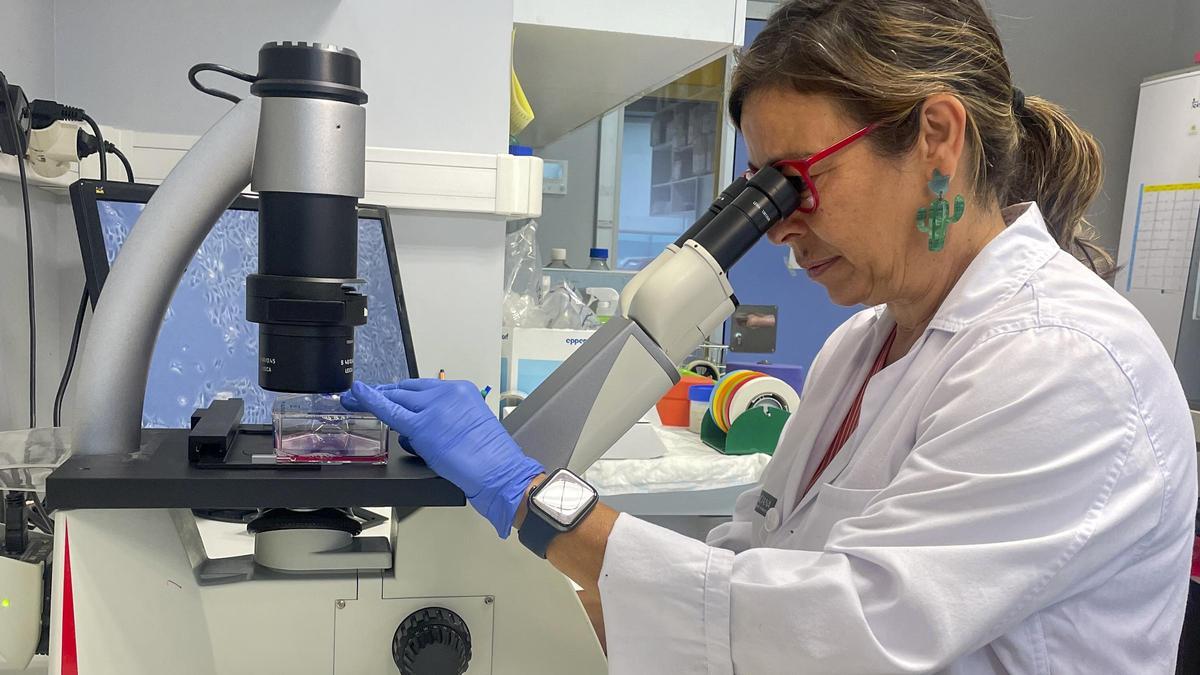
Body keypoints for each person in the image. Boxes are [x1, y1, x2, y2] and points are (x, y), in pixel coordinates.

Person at [342, 0, 1198, 671]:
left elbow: (840, 632)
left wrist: (532, 495)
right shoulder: (859, 348)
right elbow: (740, 582)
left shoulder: (1066, 362)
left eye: (797, 181)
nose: (780, 228)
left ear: (936, 136)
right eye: (761, 191)